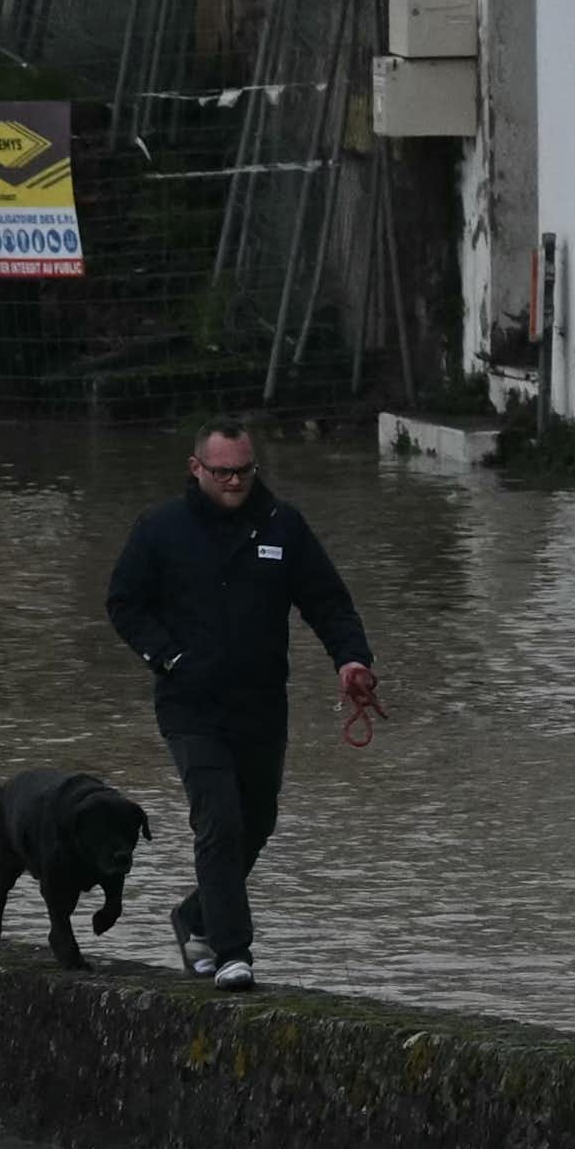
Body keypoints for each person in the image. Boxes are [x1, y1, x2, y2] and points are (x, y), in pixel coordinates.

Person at [105, 417, 378, 991]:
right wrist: (168, 657)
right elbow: (124, 603)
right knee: (220, 821)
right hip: (190, 704)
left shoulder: (283, 526)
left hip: (262, 704)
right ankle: (233, 952)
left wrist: (350, 659)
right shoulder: (160, 528)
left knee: (258, 820)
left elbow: (328, 602)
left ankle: (195, 915)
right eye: (223, 472)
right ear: (196, 468)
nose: (235, 482)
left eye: (245, 471)